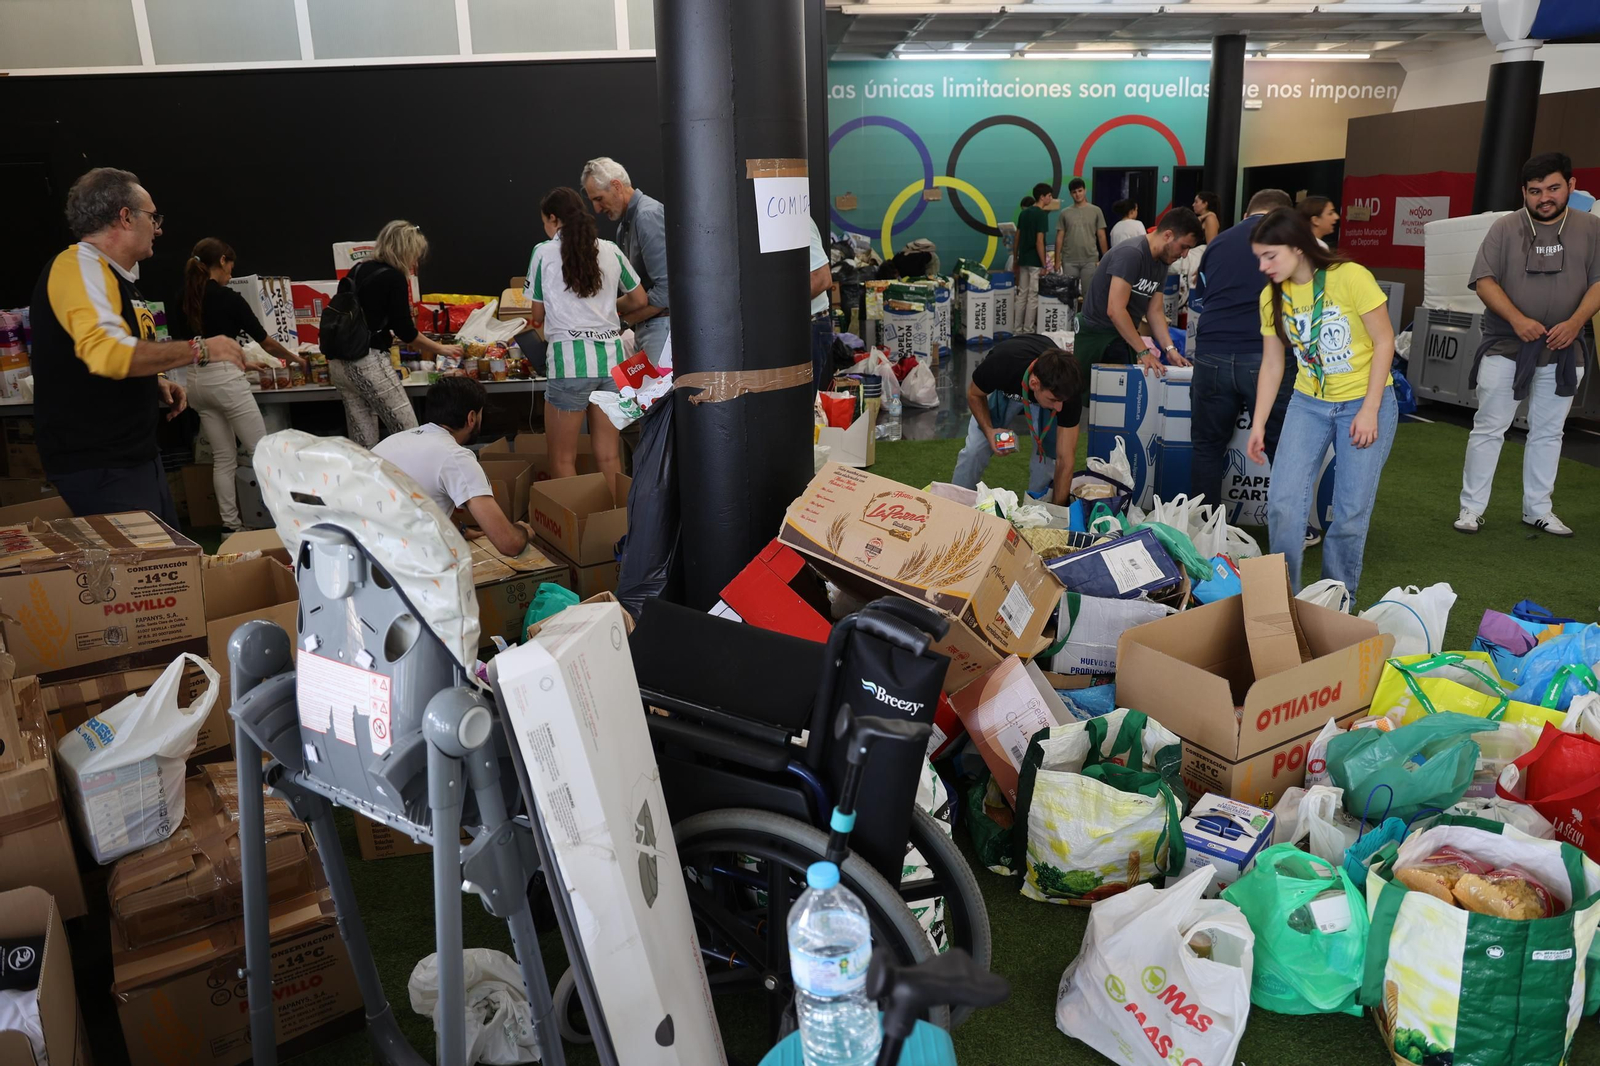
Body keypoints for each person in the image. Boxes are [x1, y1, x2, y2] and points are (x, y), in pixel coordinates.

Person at [30, 167, 246, 523]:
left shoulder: (118, 277)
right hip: (101, 464)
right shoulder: (78, 267)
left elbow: (112, 351)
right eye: (153, 217)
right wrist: (200, 348)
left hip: (133, 457)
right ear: (126, 218)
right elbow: (107, 353)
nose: (158, 228)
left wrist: (154, 379)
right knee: (148, 572)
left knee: (172, 567)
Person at [1248, 208, 1397, 599]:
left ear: (1298, 248)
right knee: (1282, 503)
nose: (1264, 266)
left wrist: (1369, 409)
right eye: (1259, 258)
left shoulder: (1350, 276)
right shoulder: (1272, 296)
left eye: (1271, 256)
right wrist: (1259, 423)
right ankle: (1281, 601)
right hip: (1308, 403)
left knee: (1348, 515)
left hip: (1364, 400)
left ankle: (1337, 602)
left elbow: (1385, 341)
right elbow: (1273, 361)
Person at [1455, 151, 1600, 538]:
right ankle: (1471, 508)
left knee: (1549, 432)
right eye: (1535, 191)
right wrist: (1518, 321)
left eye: (1553, 188)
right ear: (1524, 192)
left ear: (1571, 185)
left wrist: (1575, 322)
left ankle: (1537, 509)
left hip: (1565, 347)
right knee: (1489, 426)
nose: (1544, 198)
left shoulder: (1591, 227)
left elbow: (1598, 282)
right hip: (1506, 344)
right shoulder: (1504, 228)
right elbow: (1484, 280)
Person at [174, 239, 303, 532]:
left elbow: (201, 345)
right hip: (226, 383)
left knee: (223, 459)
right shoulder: (229, 298)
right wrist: (296, 359)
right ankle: (289, 523)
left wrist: (243, 361)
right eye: (231, 265)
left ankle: (230, 528)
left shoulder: (183, 297)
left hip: (196, 381)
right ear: (221, 261)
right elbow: (266, 341)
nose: (232, 272)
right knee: (263, 452)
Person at [1189, 190, 1298, 523]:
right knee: (1284, 444)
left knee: (1207, 445)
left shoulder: (1218, 243)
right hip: (1265, 354)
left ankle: (1203, 525)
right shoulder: (1288, 244)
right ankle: (1293, 525)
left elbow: (1199, 297)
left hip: (1211, 352)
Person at [526, 186, 648, 479]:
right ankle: (616, 522)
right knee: (609, 456)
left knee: (562, 459)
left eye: (545, 222)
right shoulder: (610, 250)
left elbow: (537, 317)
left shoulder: (542, 253)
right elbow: (639, 300)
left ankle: (574, 525)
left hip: (568, 365)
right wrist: (607, 307)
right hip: (612, 363)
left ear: (554, 219)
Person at [332, 221, 461, 448]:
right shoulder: (394, 278)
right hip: (367, 362)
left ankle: (370, 483)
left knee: (364, 444)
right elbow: (405, 331)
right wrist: (442, 348)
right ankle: (414, 483)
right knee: (409, 432)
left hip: (339, 364)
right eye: (415, 255)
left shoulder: (358, 269)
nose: (415, 262)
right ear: (406, 251)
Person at [373, 376, 536, 556]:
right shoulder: (456, 457)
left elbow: (421, 499)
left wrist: (460, 529)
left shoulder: (395, 440)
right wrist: (523, 531)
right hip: (395, 563)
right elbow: (509, 544)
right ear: (471, 417)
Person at [951, 336, 1083, 504]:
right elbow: (974, 394)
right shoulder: (1001, 364)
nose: (1059, 408)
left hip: (1039, 390)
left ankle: (1037, 513)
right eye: (1053, 400)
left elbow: (1065, 459)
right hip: (1009, 386)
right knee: (974, 450)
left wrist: (1058, 514)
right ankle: (954, 503)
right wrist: (990, 432)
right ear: (1034, 383)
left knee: (1046, 459)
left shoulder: (1067, 392)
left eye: (1062, 401)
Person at [1075, 208, 1203, 377]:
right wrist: (1144, 352)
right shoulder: (1132, 253)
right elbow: (1115, 310)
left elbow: (1155, 310)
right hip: (1097, 337)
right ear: (1168, 235)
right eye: (1184, 247)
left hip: (1122, 336)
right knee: (1090, 398)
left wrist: (1170, 350)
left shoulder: (1162, 262)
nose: (1185, 255)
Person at [581, 157, 670, 364]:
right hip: (648, 326)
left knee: (656, 396)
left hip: (661, 326)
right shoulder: (625, 225)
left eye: (599, 199)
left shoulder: (647, 216)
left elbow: (666, 291)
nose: (596, 209)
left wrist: (623, 321)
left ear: (617, 186)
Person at [1053, 179, 1106, 303]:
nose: (1078, 194)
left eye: (1080, 191)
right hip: (1069, 260)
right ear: (1071, 194)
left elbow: (1101, 236)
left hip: (1090, 259)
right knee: (1070, 296)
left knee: (1089, 295)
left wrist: (1105, 258)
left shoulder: (1096, 211)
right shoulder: (1064, 213)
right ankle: (1070, 322)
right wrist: (1057, 260)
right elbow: (1059, 237)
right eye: (1074, 192)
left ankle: (1085, 322)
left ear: (1085, 190)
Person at [1015, 183, 1057, 334]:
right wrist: (1044, 263)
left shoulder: (1023, 214)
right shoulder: (1041, 215)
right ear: (1042, 197)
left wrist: (1015, 258)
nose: (1051, 199)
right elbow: (1040, 242)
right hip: (1034, 261)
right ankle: (1028, 329)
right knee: (1032, 296)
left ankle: (1017, 329)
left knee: (1021, 295)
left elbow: (1017, 237)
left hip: (1023, 259)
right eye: (1049, 196)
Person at [807, 217, 834, 391]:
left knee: (801, 407)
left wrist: (779, 309)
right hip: (807, 325)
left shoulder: (795, 221)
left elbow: (822, 279)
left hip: (811, 325)